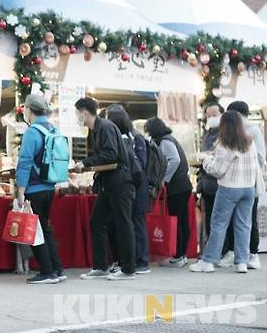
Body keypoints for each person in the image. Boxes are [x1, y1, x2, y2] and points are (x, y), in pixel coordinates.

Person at [75, 97, 136, 281]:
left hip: (120, 182)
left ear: (85, 113)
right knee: (97, 221)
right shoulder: (97, 129)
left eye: (77, 113)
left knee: (123, 224)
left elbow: (110, 154)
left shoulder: (105, 127)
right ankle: (101, 266)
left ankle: (128, 269)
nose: (77, 117)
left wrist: (85, 162)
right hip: (109, 183)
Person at [190, 111, 260, 274]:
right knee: (243, 225)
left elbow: (217, 171)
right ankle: (242, 262)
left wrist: (205, 160)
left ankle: (208, 261)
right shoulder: (249, 141)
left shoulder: (224, 143)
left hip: (229, 188)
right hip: (248, 188)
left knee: (219, 225)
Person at [15, 94, 66, 284]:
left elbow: (25, 162)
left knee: (34, 231)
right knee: (45, 228)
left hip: (34, 187)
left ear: (29, 110)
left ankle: (47, 272)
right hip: (50, 186)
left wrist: (21, 189)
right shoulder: (53, 129)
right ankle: (57, 269)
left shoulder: (32, 132)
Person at [220, 101, 265, 270]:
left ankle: (253, 254)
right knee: (232, 219)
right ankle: (233, 252)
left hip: (249, 182)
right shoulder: (233, 130)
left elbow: (260, 157)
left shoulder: (253, 131)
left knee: (249, 219)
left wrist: (249, 174)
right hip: (232, 182)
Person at [106, 106, 151, 274]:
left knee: (137, 225)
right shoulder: (120, 138)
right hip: (128, 186)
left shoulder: (136, 139)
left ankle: (142, 261)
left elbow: (141, 164)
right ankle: (127, 260)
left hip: (137, 187)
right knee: (126, 224)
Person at [144, 117, 193, 268]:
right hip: (183, 186)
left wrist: (164, 179)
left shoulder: (165, 141)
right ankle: (182, 255)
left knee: (177, 221)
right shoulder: (168, 139)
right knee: (182, 221)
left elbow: (175, 160)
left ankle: (179, 255)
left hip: (177, 187)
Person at [197, 103, 224, 247]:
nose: (211, 118)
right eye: (208, 116)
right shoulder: (207, 134)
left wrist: (207, 156)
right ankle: (211, 250)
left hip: (221, 184)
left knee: (220, 220)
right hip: (207, 184)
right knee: (209, 220)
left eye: (214, 115)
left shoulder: (225, 134)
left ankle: (222, 250)